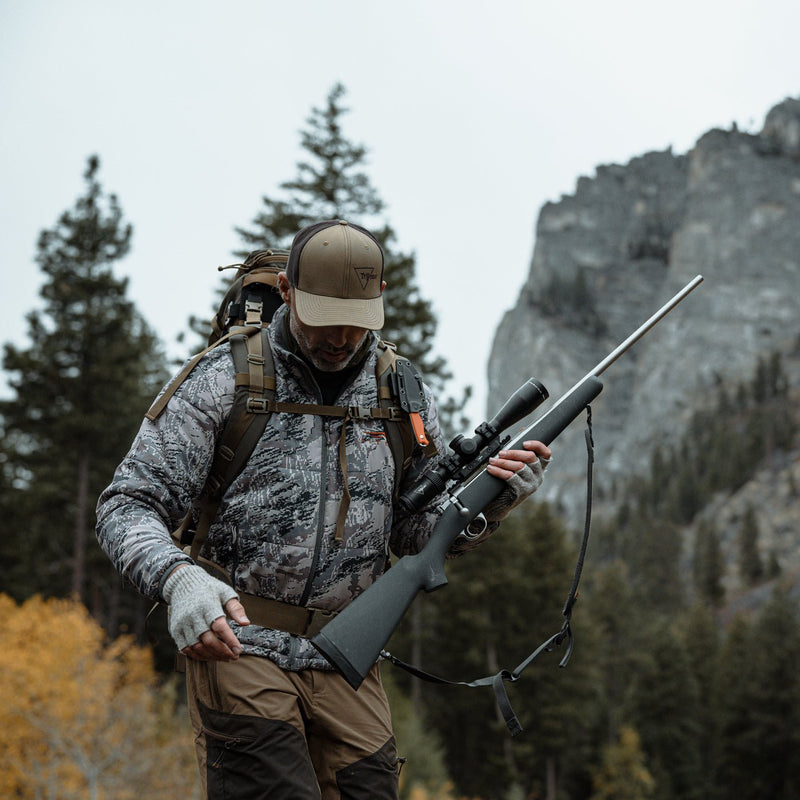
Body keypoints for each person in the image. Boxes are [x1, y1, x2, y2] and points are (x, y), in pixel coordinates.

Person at [96, 219, 552, 800]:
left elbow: (415, 529)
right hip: (240, 641)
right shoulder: (223, 381)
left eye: (356, 323)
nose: (339, 337)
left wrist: (493, 501)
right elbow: (126, 505)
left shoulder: (400, 392)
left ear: (379, 301)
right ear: (287, 292)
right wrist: (176, 577)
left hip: (349, 654)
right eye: (322, 318)